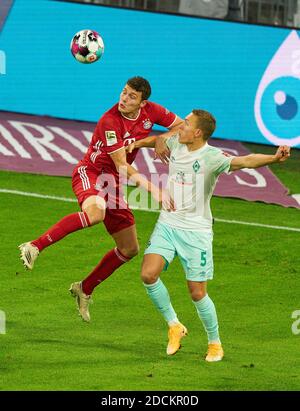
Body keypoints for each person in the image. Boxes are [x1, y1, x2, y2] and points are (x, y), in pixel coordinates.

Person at [128, 109, 290, 362]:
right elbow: (157, 140)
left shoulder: (212, 157)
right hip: (167, 224)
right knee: (148, 274)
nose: (181, 126)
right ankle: (174, 325)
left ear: (198, 133)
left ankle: (215, 343)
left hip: (196, 233)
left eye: (187, 124)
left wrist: (273, 158)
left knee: (197, 292)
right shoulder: (176, 142)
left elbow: (245, 160)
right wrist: (142, 142)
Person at [19, 76, 183, 322]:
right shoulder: (110, 121)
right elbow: (121, 164)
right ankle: (34, 246)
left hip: (112, 184)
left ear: (142, 102)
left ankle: (84, 288)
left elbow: (182, 127)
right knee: (96, 213)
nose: (124, 99)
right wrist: (154, 190)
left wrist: (160, 138)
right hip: (92, 173)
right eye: (124, 92)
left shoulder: (152, 112)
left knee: (130, 249)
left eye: (131, 96)